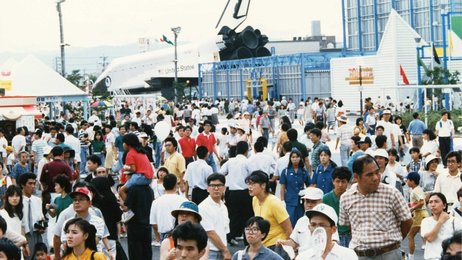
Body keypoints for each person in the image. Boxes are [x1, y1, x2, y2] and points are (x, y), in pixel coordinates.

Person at [339, 155, 412, 259]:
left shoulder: (391, 193)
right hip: (360, 255)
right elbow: (348, 225)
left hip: (389, 254)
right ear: (356, 177)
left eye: (377, 172)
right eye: (369, 175)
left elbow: (407, 221)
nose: (376, 178)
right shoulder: (346, 198)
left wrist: (393, 244)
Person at [247, 171, 292, 260]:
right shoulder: (255, 199)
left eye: (253, 184)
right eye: (249, 184)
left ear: (263, 185)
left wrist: (288, 249)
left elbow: (289, 229)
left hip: (277, 247)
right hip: (262, 245)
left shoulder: (274, 202)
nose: (249, 187)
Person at [219, 141, 253, 246]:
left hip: (232, 192)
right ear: (246, 151)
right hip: (245, 192)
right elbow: (253, 175)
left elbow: (220, 173)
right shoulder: (247, 162)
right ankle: (247, 239)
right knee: (248, 215)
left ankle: (230, 236)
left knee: (233, 216)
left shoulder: (230, 161)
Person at [276, 187, 324, 254]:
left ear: (321, 202)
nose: (309, 205)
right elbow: (294, 243)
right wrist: (284, 242)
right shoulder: (301, 221)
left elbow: (333, 242)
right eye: (307, 201)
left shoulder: (326, 221)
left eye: (313, 202)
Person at [118, 133, 154, 222]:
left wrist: (126, 168)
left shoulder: (130, 154)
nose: (123, 145)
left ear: (128, 144)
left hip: (141, 176)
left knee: (121, 190)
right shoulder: (141, 151)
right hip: (148, 177)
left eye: (124, 143)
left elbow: (133, 169)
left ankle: (129, 209)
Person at [199, 173, 231, 260]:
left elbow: (224, 231)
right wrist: (225, 250)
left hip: (221, 249)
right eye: (213, 185)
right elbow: (210, 233)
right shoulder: (204, 207)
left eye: (219, 185)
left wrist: (224, 249)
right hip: (210, 252)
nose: (216, 188)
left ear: (224, 188)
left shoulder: (223, 206)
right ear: (208, 188)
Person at [421, 193, 462, 260]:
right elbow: (430, 238)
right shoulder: (426, 221)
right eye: (430, 202)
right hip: (431, 258)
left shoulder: (454, 221)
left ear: (444, 205)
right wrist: (440, 221)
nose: (433, 205)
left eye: (436, 201)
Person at [150, 174, 187, 245]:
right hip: (182, 234)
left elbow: (154, 224)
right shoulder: (184, 200)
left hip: (164, 235)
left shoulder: (156, 202)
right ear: (176, 185)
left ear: (163, 185)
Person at [91, 176, 122, 259]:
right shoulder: (112, 198)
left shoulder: (94, 202)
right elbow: (118, 220)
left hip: (97, 237)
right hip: (111, 236)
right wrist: (118, 236)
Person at [280, 148, 310, 226]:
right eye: (293, 157)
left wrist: (305, 192)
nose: (295, 159)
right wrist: (282, 200)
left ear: (300, 158)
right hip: (289, 201)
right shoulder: (285, 171)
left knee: (301, 222)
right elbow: (282, 187)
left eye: (297, 157)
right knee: (290, 222)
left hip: (301, 201)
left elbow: (310, 185)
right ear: (290, 159)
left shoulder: (303, 172)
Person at [323, 167, 352, 247]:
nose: (340, 185)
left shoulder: (351, 198)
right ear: (333, 182)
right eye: (337, 181)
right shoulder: (325, 199)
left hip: (349, 236)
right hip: (333, 236)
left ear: (348, 183)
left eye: (343, 182)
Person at [19, 173, 45, 257]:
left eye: (34, 183)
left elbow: (41, 217)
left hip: (37, 233)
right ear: (23, 185)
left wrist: (42, 226)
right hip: (24, 234)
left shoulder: (38, 200)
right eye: (30, 183)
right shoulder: (18, 200)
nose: (33, 186)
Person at [406, 172, 428, 260]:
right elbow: (417, 202)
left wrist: (411, 209)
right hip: (421, 214)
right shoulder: (416, 189)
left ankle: (411, 257)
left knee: (410, 236)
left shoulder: (416, 190)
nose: (406, 182)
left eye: (407, 180)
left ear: (412, 181)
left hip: (419, 214)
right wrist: (410, 205)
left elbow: (422, 202)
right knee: (424, 236)